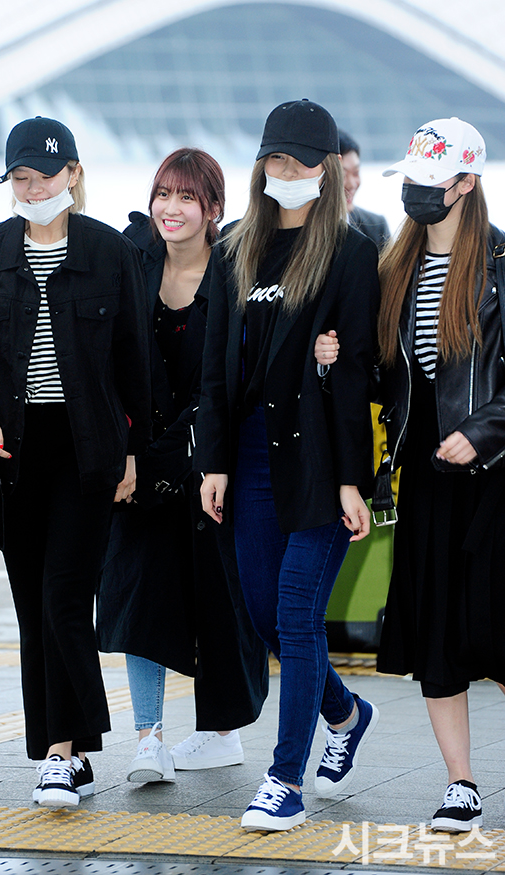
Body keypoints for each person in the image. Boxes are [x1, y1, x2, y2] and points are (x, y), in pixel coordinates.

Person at [0, 116, 151, 809]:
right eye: (20, 178)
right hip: (13, 453)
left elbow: (136, 361)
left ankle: (61, 754)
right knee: (35, 606)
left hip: (88, 451)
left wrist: (135, 451)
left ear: (73, 174)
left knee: (63, 597)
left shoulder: (109, 251)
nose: (32, 189)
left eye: (44, 176)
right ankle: (68, 752)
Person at [195, 100, 381, 832]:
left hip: (318, 463)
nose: (288, 171)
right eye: (277, 158)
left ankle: (284, 780)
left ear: (327, 169)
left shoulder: (350, 252)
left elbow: (359, 371)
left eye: (303, 161)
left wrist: (351, 480)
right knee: (268, 619)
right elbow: (215, 368)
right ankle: (346, 713)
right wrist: (213, 461)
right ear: (261, 164)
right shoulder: (235, 246)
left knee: (298, 616)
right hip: (247, 458)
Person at [316, 117, 505, 833]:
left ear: (467, 183)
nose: (417, 193)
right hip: (424, 472)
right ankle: (461, 783)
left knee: (493, 626)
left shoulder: (499, 263)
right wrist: (336, 358)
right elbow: (381, 374)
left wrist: (482, 433)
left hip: (493, 473)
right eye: (412, 180)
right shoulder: (392, 265)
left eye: (433, 181)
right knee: (438, 634)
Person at [96, 148, 269, 783]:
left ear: (213, 208)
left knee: (218, 600)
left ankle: (222, 733)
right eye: (163, 194)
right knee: (139, 594)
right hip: (138, 464)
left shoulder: (235, 272)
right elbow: (108, 359)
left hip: (209, 466)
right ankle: (149, 739)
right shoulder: (132, 260)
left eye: (187, 198)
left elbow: (239, 374)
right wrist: (124, 454)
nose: (171, 209)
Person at [339, 130, 390, 250]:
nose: (351, 184)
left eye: (356, 173)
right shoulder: (301, 225)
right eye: (342, 175)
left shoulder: (376, 227)